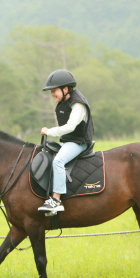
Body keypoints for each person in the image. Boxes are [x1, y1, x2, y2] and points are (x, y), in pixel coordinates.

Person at [38, 69, 94, 214]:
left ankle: (56, 200)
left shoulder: (78, 105)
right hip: (70, 141)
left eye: (54, 90)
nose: (52, 94)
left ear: (65, 89)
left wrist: (49, 131)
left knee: (58, 161)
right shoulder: (65, 101)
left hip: (79, 143)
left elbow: (70, 127)